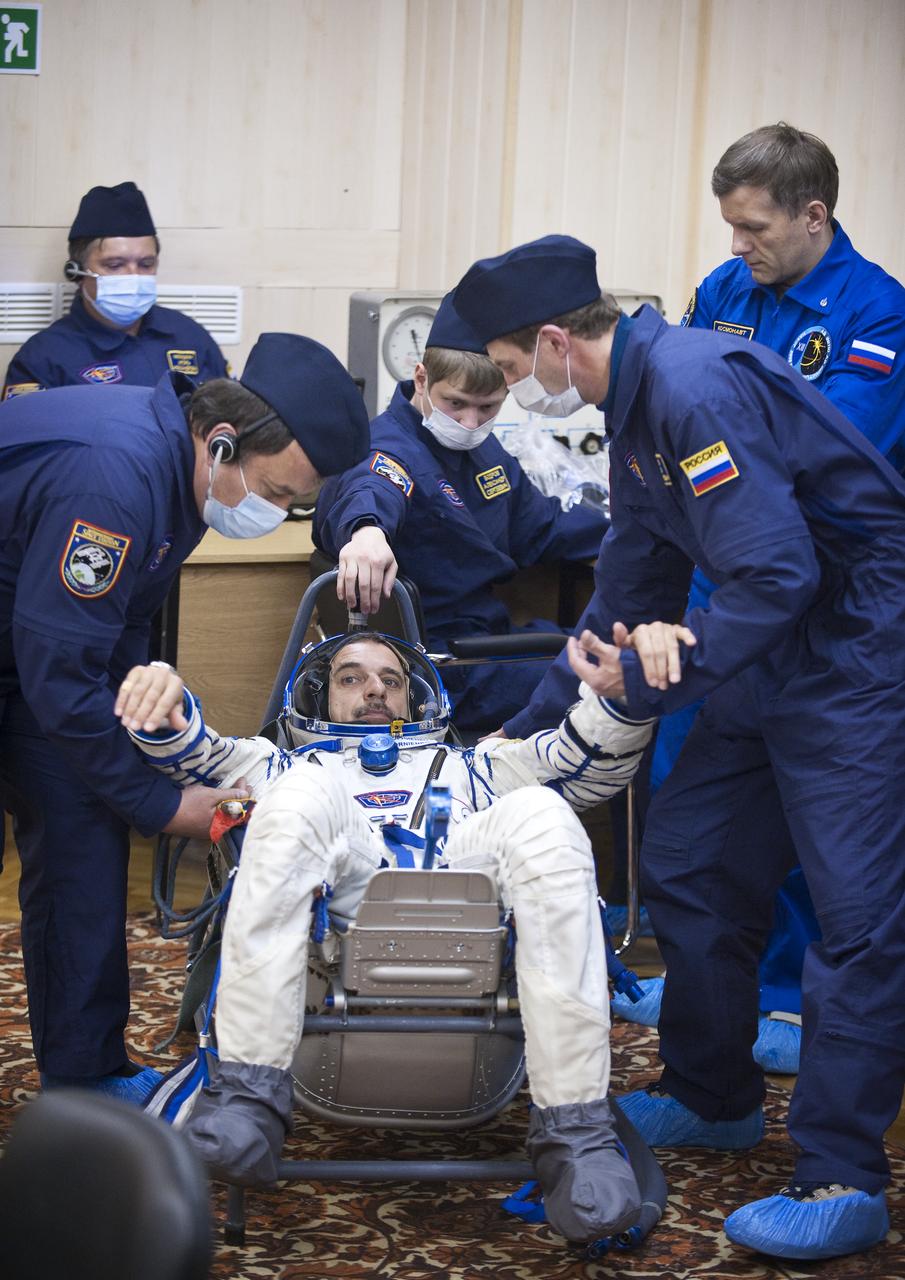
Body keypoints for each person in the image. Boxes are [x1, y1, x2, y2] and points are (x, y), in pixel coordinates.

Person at [452, 233, 905, 1262]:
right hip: (763, 647)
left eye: (518, 370)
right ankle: (712, 1092)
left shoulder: (691, 387)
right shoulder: (637, 404)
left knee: (857, 919)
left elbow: (779, 571)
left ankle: (840, 1170)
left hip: (852, 653)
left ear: (560, 340)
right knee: (692, 856)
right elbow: (630, 581)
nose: (519, 390)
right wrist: (525, 729)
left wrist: (663, 674)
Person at [115, 622, 690, 1243]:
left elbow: (583, 764)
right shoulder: (279, 760)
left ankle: (577, 1137)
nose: (374, 690)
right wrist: (163, 698)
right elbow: (190, 753)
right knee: (297, 791)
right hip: (338, 912)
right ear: (319, 695)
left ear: (415, 700)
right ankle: (245, 1101)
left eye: (391, 680)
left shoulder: (475, 764)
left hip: (466, 897)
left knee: (545, 810)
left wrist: (618, 699)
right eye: (352, 678)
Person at [0, 332, 369, 1105]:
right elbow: (61, 671)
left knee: (81, 837)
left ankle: (85, 1077)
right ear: (225, 440)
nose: (278, 512)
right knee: (95, 808)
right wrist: (162, 805)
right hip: (34, 653)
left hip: (31, 645)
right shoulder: (117, 477)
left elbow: (111, 629)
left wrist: (137, 756)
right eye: (277, 492)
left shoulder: (191, 472)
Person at [618, 123, 905, 1074]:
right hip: (719, 585)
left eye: (753, 227)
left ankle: (784, 1001)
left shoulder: (876, 316)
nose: (737, 246)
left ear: (813, 215)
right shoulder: (724, 291)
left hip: (822, 603)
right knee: (691, 817)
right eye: (729, 226)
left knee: (814, 832)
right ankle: (720, 1004)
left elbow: (815, 454)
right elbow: (688, 414)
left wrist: (711, 449)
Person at [314, 292, 609, 732]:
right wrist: (366, 530)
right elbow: (373, 486)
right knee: (615, 672)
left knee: (601, 647)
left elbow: (540, 527)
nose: (470, 422)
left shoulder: (482, 449)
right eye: (455, 404)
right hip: (445, 664)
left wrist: (631, 526)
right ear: (420, 378)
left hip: (486, 642)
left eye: (487, 407)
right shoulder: (390, 447)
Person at [2, 181, 228, 400]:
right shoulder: (43, 357)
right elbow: (23, 435)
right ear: (77, 272)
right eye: (114, 265)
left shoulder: (189, 335)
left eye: (146, 264)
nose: (133, 276)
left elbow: (234, 418)